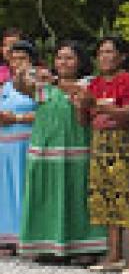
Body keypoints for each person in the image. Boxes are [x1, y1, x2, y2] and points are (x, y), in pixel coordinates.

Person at [17, 42, 106, 259]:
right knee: (46, 198)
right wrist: (21, 69)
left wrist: (55, 81)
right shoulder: (43, 87)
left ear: (80, 62)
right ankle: (46, 245)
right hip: (45, 153)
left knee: (77, 199)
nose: (63, 62)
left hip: (77, 153)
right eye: (59, 58)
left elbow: (84, 100)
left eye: (69, 58)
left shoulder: (87, 84)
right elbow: (21, 86)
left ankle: (85, 247)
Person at [80, 36, 129, 274]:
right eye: (101, 52)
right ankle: (114, 253)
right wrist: (81, 105)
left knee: (128, 195)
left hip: (123, 142)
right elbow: (83, 121)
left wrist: (99, 105)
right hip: (99, 142)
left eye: (110, 51)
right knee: (104, 195)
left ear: (122, 56)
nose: (105, 57)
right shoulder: (94, 83)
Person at [0, 41, 37, 254]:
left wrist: (17, 117)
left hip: (26, 140)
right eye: (13, 59)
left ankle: (27, 235)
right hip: (5, 143)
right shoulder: (6, 86)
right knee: (6, 188)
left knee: (24, 187)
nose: (17, 63)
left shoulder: (36, 84)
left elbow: (45, 111)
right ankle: (7, 235)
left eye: (22, 58)